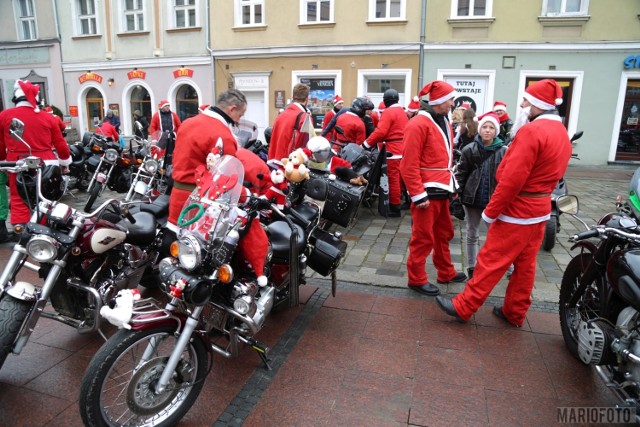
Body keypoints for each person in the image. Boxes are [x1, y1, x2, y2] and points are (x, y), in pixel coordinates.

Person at [436, 79, 573, 326]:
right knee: (525, 266)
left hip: (517, 211)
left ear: (537, 105)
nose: (521, 104)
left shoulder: (532, 132)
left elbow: (512, 179)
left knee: (490, 261)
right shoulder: (561, 132)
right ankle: (515, 311)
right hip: (540, 210)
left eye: (526, 100)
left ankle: (464, 307)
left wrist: (491, 211)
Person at [399, 80, 467, 297]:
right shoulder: (419, 123)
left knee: (444, 233)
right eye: (450, 99)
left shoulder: (443, 120)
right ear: (439, 101)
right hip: (427, 192)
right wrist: (418, 195)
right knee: (423, 237)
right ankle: (416, 278)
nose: (453, 103)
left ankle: (445, 271)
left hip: (441, 189)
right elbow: (408, 163)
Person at [0, 80, 71, 231]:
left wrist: (3, 162)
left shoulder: (4, 116)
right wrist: (64, 162)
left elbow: (0, 145)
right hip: (45, 163)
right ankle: (43, 228)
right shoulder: (48, 117)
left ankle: (21, 229)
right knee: (45, 199)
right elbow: (60, 144)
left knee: (18, 197)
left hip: (17, 163)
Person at [454, 112, 507, 279]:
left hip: (494, 200)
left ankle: (506, 267)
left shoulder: (504, 151)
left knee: (499, 236)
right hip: (473, 198)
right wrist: (458, 197)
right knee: (472, 233)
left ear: (496, 131)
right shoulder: (469, 149)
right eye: (484, 126)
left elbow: (508, 176)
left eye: (491, 128)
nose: (487, 130)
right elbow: (461, 174)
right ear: (479, 128)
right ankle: (472, 266)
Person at [363, 89, 408, 217]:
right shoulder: (402, 112)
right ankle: (397, 203)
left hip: (392, 150)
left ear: (386, 100)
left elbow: (381, 131)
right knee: (398, 179)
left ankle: (394, 207)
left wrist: (366, 144)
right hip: (402, 149)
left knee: (392, 179)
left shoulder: (389, 112)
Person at [268, 83, 310, 161]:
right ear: (307, 99)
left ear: (293, 98)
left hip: (276, 161)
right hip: (293, 163)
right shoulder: (305, 117)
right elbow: (307, 143)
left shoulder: (281, 115)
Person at [149, 100, 182, 175]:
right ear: (162, 107)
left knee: (173, 153)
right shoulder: (156, 115)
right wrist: (154, 138)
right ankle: (160, 168)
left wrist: (179, 135)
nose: (167, 107)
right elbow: (152, 127)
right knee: (160, 153)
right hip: (161, 137)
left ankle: (172, 167)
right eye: (166, 106)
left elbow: (179, 125)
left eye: (168, 106)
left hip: (172, 136)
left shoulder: (173, 115)